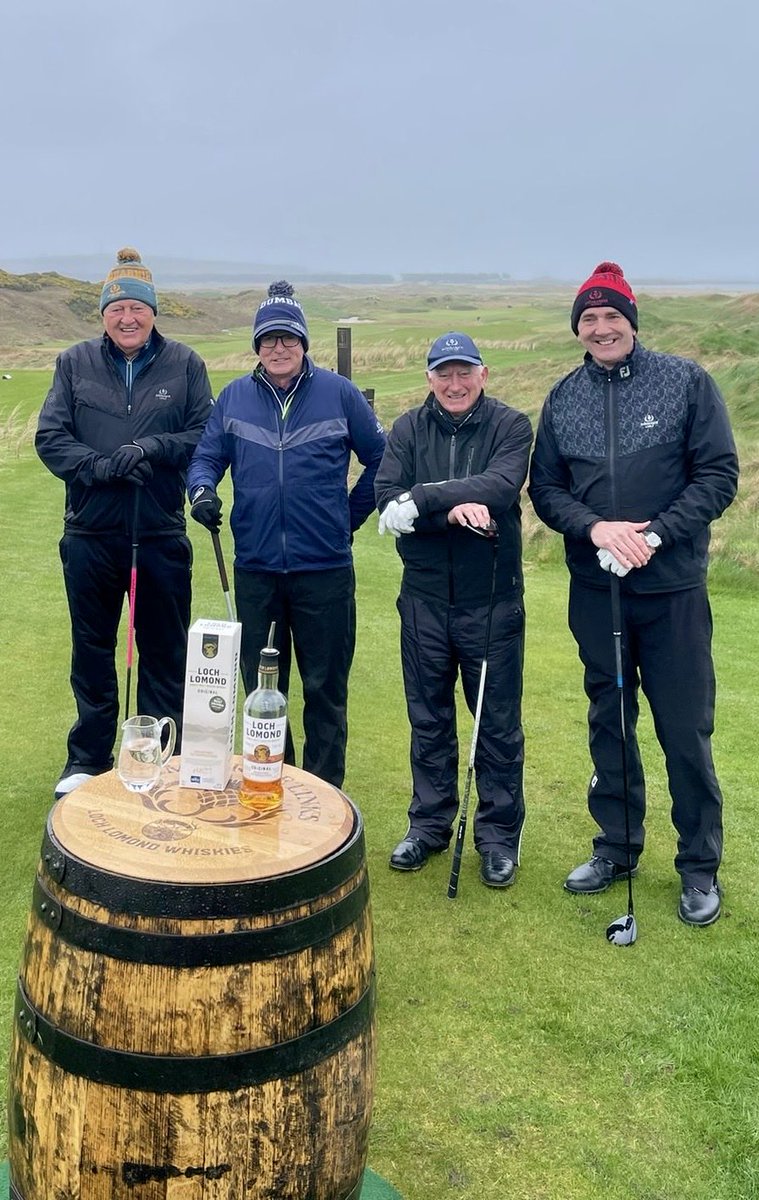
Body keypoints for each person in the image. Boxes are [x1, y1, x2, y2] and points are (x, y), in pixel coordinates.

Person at [528, 261, 739, 926]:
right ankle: (616, 847)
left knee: (683, 731)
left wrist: (652, 536)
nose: (599, 327)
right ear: (577, 329)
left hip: (671, 588)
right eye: (587, 319)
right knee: (608, 725)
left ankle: (698, 867)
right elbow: (546, 489)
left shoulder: (683, 383)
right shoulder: (563, 398)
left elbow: (716, 474)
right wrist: (596, 527)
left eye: (610, 316)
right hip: (598, 591)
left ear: (630, 320)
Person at [187, 281, 386, 788]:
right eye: (269, 339)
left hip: (324, 570)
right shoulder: (233, 397)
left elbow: (382, 461)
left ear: (304, 344)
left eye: (289, 339)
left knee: (324, 690)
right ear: (257, 346)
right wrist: (203, 490)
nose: (279, 348)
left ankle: (323, 797)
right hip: (256, 570)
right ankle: (275, 780)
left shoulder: (338, 393)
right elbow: (207, 458)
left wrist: (348, 516)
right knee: (262, 690)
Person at [36, 247, 213, 800]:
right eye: (117, 308)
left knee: (163, 650)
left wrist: (154, 448)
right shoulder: (74, 364)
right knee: (91, 648)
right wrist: (99, 467)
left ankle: (161, 757)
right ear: (104, 315)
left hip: (159, 531)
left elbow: (204, 436)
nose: (128, 317)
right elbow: (51, 438)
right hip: (91, 533)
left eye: (138, 307)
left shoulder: (184, 364)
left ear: (153, 312)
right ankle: (87, 759)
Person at [375, 332, 533, 888]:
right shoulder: (406, 429)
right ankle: (429, 825)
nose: (455, 383)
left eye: (465, 372)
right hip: (422, 601)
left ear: (483, 375)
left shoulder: (511, 426)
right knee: (429, 719)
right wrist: (448, 509)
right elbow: (386, 494)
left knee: (495, 726)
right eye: (444, 373)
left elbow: (500, 484)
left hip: (489, 602)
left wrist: (423, 499)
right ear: (429, 380)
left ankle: (497, 838)